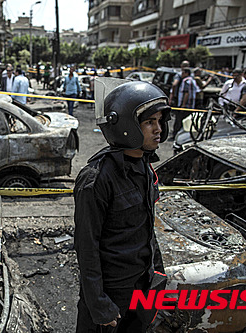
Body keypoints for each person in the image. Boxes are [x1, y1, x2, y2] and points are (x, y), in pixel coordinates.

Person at [74, 80, 169, 333]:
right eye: (150, 122)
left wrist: (157, 275)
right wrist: (98, 304)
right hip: (111, 294)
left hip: (141, 287)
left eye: (159, 121)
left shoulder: (145, 167)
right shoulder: (96, 178)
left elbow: (146, 229)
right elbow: (87, 247)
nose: (158, 129)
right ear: (127, 125)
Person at [171, 68, 196, 138]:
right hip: (190, 105)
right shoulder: (192, 80)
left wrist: (183, 104)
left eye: (183, 73)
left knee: (179, 121)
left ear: (186, 73)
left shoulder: (186, 81)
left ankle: (176, 135)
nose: (181, 74)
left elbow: (186, 93)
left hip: (185, 105)